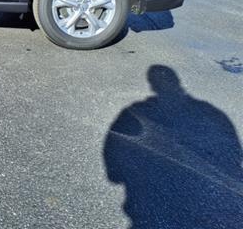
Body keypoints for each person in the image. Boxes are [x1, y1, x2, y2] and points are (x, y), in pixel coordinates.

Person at [104, 65, 243, 229]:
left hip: (144, 202)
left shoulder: (136, 110)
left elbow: (113, 150)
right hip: (204, 201)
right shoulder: (212, 112)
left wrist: (115, 173)